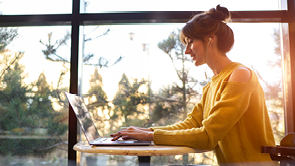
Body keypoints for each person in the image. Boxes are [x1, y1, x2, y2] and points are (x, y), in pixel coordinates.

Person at [111, 5, 277, 166]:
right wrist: (148, 132)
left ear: (210, 39)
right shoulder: (213, 84)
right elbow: (191, 124)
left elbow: (207, 136)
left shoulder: (240, 75)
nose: (187, 51)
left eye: (190, 42)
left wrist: (150, 136)